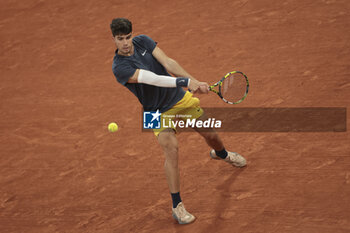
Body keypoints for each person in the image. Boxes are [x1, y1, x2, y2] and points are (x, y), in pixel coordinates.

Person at [110, 18, 247, 225]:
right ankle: (177, 206)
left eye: (128, 37)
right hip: (154, 112)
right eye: (120, 39)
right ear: (114, 39)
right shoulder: (119, 67)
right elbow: (151, 78)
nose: (126, 43)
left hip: (179, 99)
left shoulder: (143, 41)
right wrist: (185, 82)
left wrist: (194, 81)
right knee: (171, 149)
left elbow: (168, 63)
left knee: (210, 134)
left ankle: (222, 154)